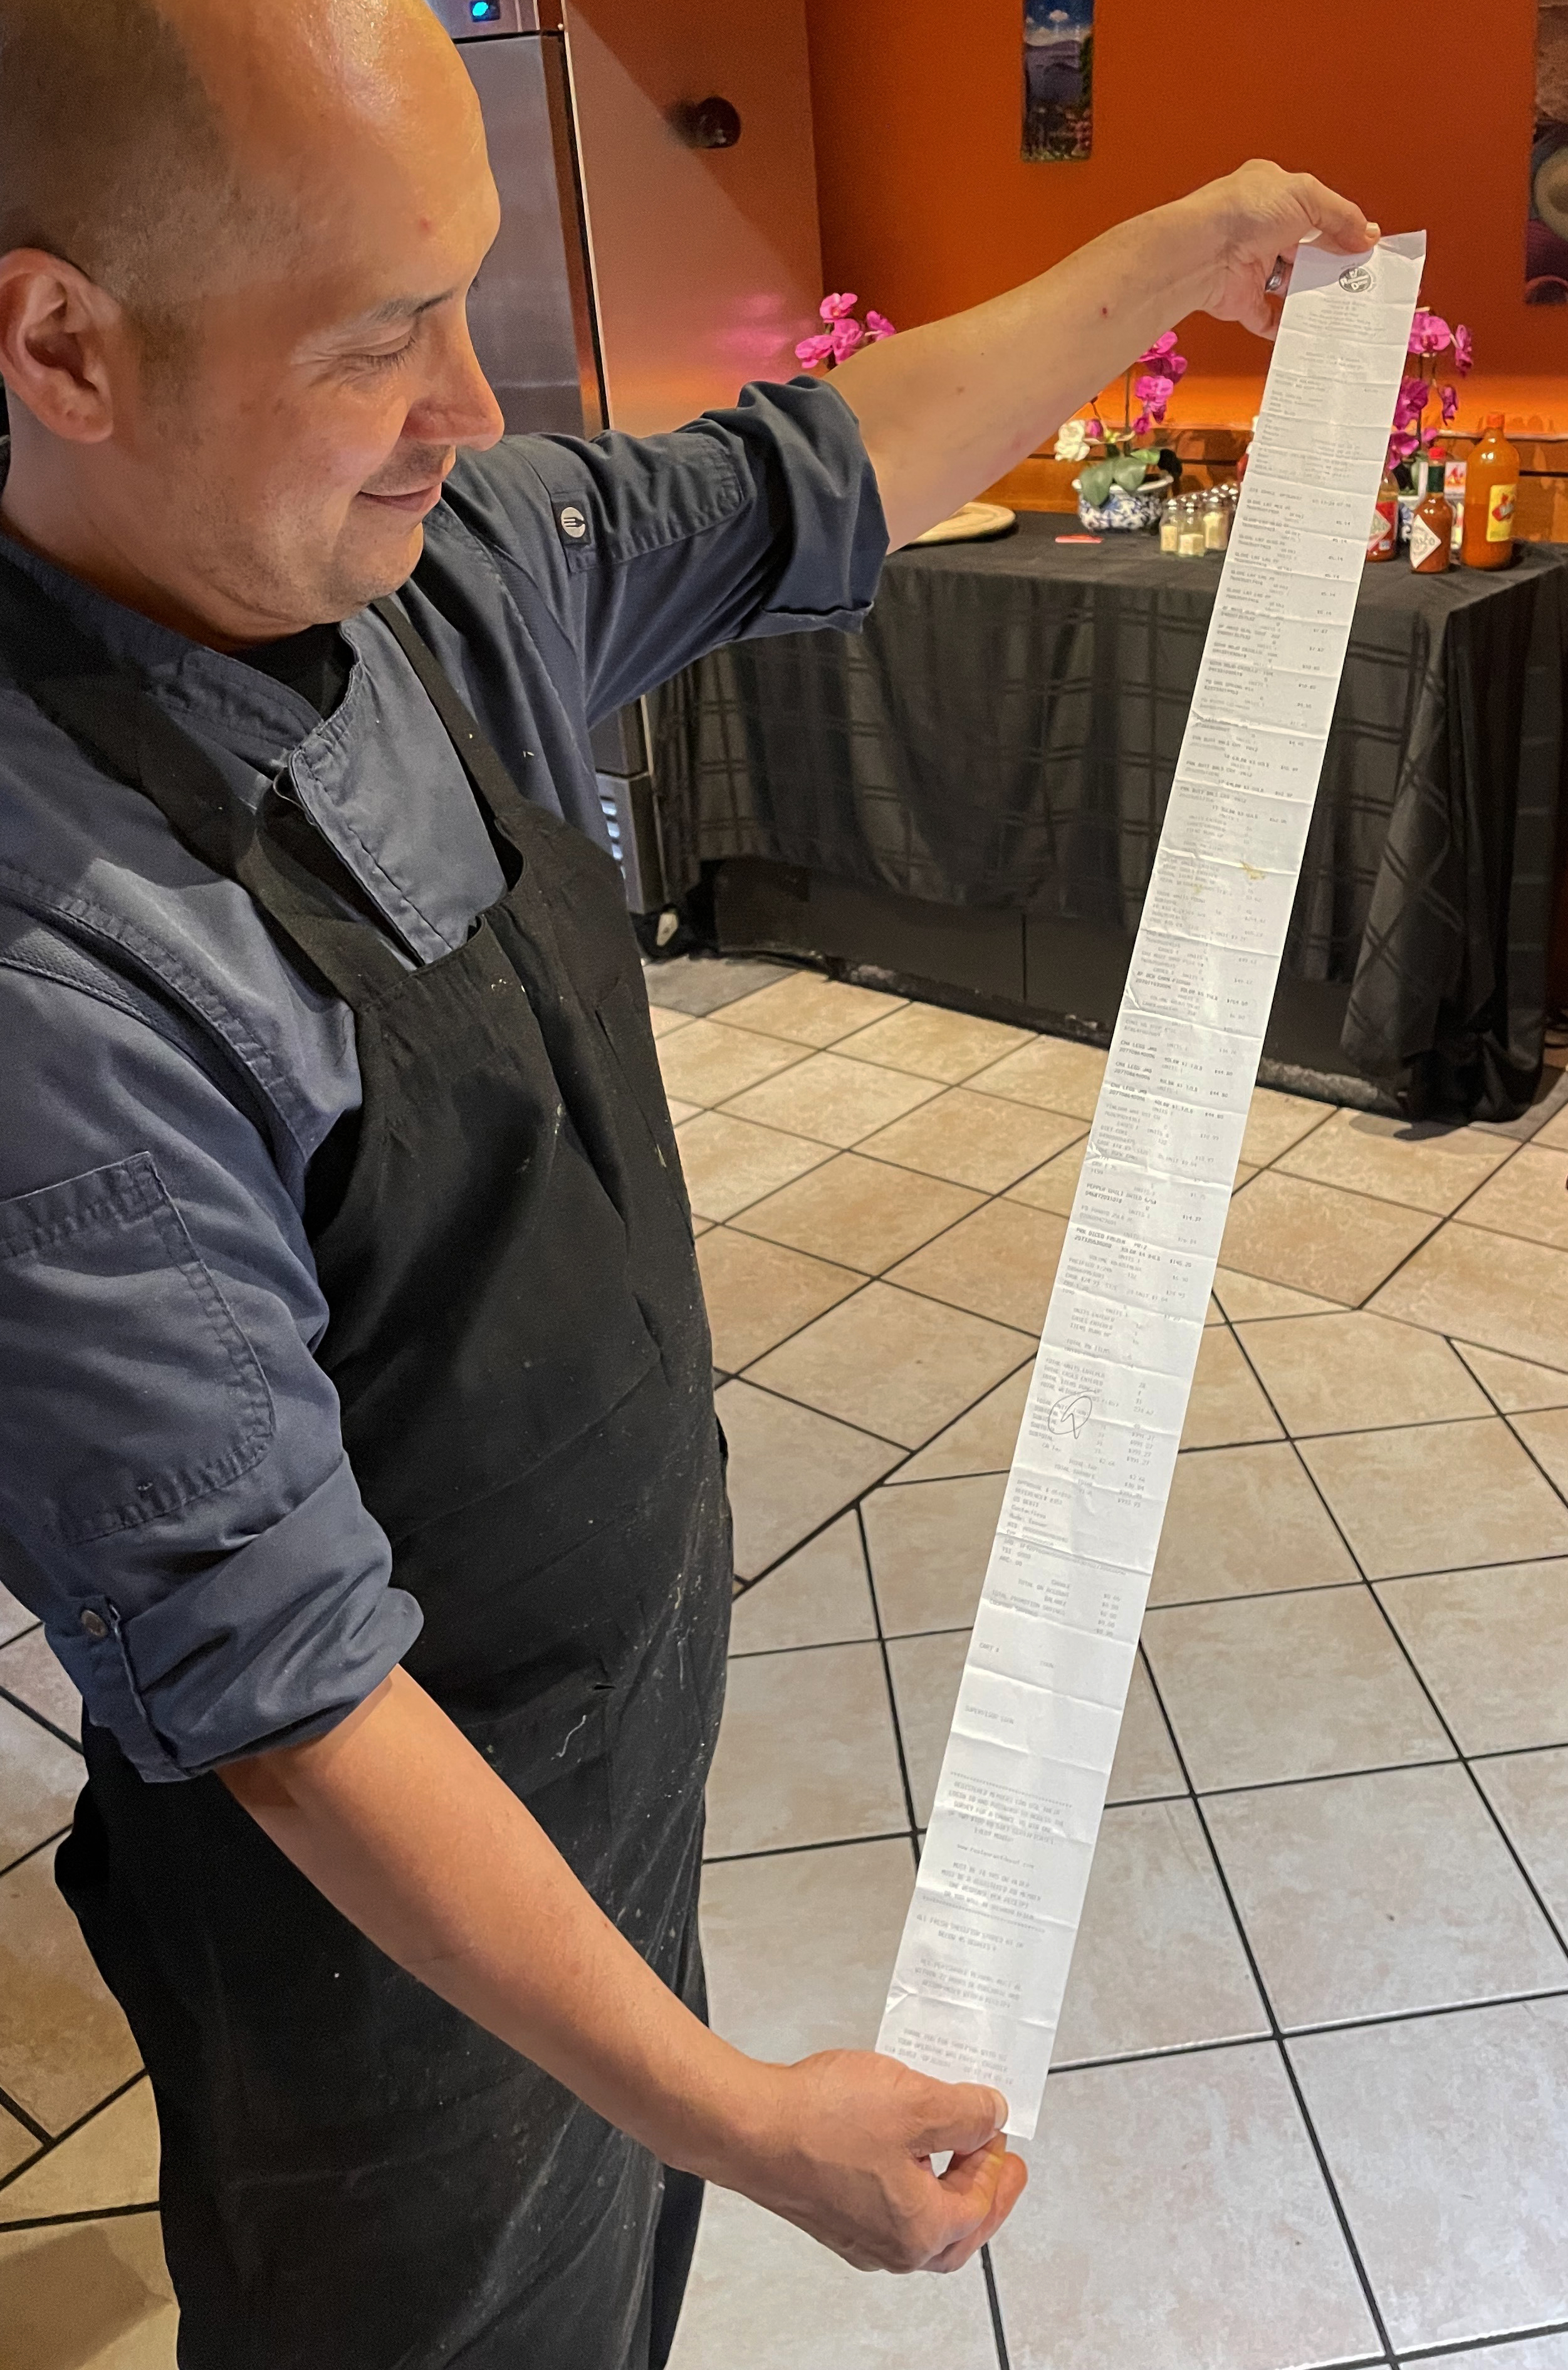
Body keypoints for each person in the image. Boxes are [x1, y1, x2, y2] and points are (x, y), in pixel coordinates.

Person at [0, 0, 1377, 2358]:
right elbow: (290, 1692)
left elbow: (813, 472)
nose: (472, 405)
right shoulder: (56, 973)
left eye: (469, 292)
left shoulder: (434, 579)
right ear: (62, 343)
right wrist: (733, 2114)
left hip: (606, 1733)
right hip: (375, 1922)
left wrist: (1181, 244)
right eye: (377, 340)